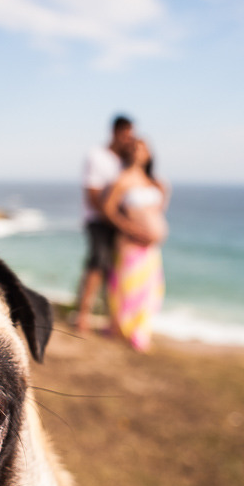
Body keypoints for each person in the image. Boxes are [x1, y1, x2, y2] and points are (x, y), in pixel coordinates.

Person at [102, 139, 168, 351]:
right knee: (128, 286)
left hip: (150, 247)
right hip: (130, 242)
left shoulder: (154, 182)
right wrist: (130, 229)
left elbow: (157, 209)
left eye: (143, 148)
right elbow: (108, 209)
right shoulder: (122, 180)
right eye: (134, 148)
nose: (138, 152)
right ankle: (122, 328)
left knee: (149, 289)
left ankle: (140, 331)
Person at [74, 115, 138, 333]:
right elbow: (92, 196)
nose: (129, 140)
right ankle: (83, 315)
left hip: (118, 223)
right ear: (116, 132)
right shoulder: (97, 156)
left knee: (116, 268)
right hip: (99, 220)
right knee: (97, 265)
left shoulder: (125, 161)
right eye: (127, 135)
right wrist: (117, 219)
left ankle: (113, 318)